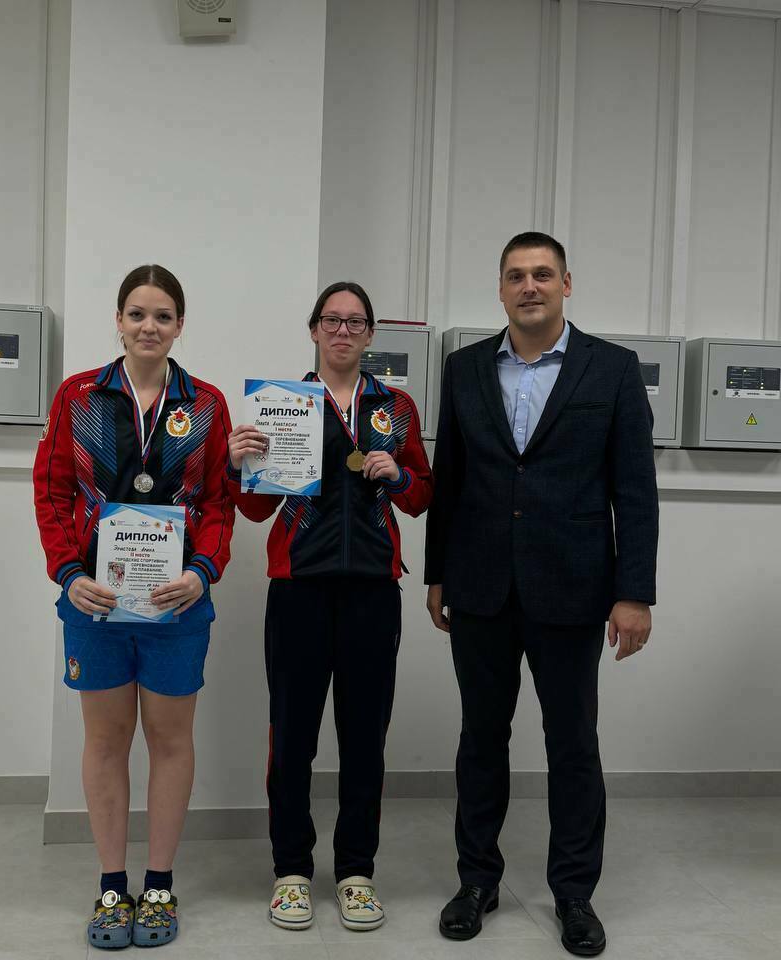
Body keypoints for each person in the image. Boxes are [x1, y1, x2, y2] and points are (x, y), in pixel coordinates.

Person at [425, 232, 658, 957]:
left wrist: (634, 593)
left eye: (543, 274)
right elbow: (450, 478)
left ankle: (575, 894)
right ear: (500, 289)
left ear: (566, 284)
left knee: (573, 745)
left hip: (575, 588)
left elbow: (635, 491)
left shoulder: (612, 369)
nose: (530, 286)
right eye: (516, 276)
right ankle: (477, 881)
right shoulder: (464, 367)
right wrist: (437, 574)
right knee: (480, 742)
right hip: (480, 586)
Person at [33, 264, 235, 949]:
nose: (150, 326)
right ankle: (112, 886)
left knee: (171, 742)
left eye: (163, 316)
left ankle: (160, 886)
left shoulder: (205, 404)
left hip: (176, 607)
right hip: (96, 603)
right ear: (118, 320)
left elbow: (219, 503)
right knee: (106, 741)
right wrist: (68, 573)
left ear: (180, 325)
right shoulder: (78, 396)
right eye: (138, 314)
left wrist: (203, 572)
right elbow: (51, 492)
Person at [227, 282, 432, 932]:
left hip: (373, 591)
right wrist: (237, 465)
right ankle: (291, 870)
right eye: (332, 320)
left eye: (355, 322)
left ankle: (355, 872)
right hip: (299, 589)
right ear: (314, 329)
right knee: (291, 736)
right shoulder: (282, 404)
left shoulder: (395, 407)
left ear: (370, 334)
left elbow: (422, 495)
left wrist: (399, 475)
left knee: (365, 738)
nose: (343, 331)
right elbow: (255, 508)